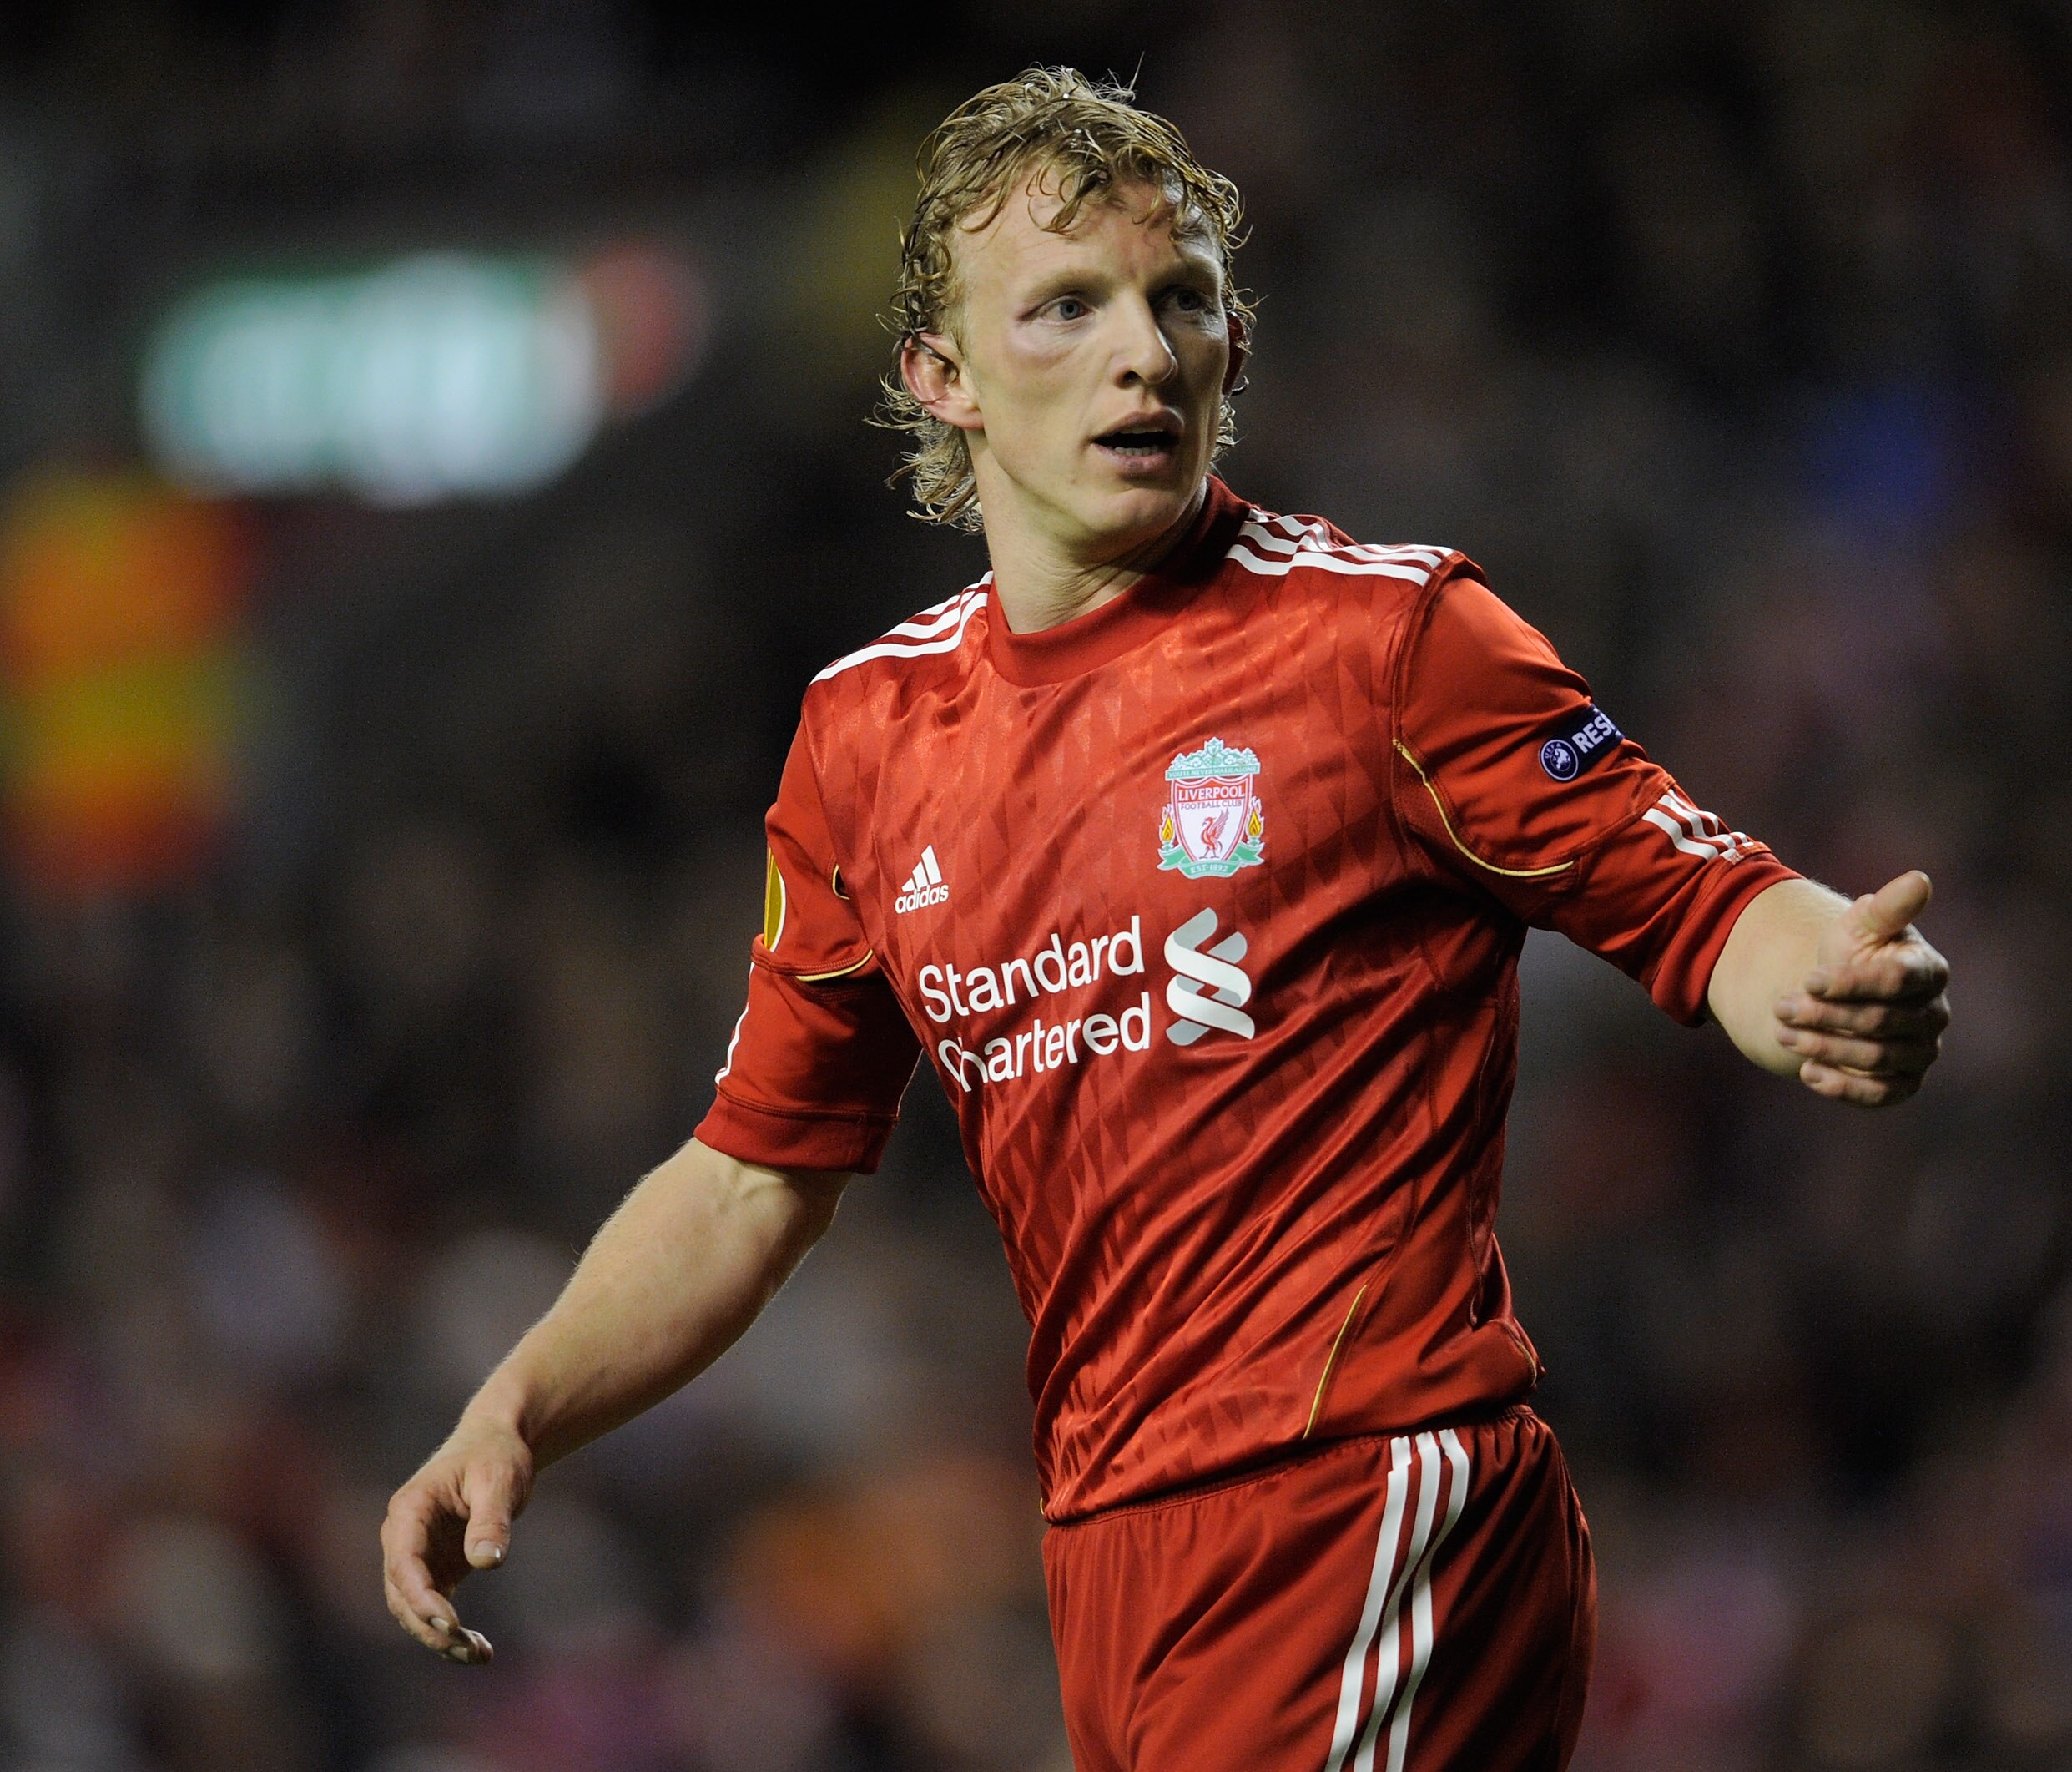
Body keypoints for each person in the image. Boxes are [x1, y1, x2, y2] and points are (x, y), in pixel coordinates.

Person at [381, 68, 1951, 1771]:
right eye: (1067, 306)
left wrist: (1825, 976)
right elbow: (758, 1173)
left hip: (1366, 1493)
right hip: (1118, 1560)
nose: (1144, 349)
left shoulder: (1391, 645)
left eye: (1181, 298)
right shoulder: (867, 738)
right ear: (943, 378)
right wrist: (520, 1407)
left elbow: (1706, 895)